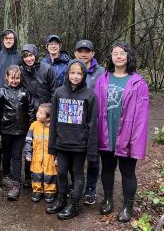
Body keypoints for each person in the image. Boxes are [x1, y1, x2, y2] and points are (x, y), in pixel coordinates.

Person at [95, 43, 149, 223]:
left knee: (127, 172)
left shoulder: (138, 83)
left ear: (128, 57)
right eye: (115, 53)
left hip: (127, 134)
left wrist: (136, 139)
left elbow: (141, 115)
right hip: (106, 132)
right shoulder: (103, 79)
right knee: (108, 168)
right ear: (110, 57)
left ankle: (127, 207)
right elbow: (96, 107)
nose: (118, 56)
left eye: (122, 53)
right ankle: (108, 200)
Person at [47, 60, 97, 220]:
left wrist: (91, 151)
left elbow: (92, 124)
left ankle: (74, 204)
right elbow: (53, 121)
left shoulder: (89, 95)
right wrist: (52, 146)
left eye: (79, 73)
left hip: (79, 145)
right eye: (72, 73)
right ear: (68, 74)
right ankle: (61, 199)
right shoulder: (59, 93)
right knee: (61, 173)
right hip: (62, 143)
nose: (75, 76)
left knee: (77, 174)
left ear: (83, 76)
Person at [0, 65, 35, 200]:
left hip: (21, 131)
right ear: (7, 77)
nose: (14, 80)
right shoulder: (1, 92)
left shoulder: (25, 92)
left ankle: (16, 183)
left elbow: (30, 110)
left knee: (17, 156)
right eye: (12, 78)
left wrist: (31, 128)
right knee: (6, 154)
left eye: (17, 78)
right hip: (5, 130)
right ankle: (6, 175)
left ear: (20, 78)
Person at [73, 39, 105, 205]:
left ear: (92, 53)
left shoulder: (101, 72)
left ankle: (91, 189)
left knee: (93, 156)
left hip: (94, 119)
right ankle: (75, 185)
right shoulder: (71, 69)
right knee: (74, 155)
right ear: (75, 53)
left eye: (87, 51)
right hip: (74, 119)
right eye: (80, 51)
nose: (83, 54)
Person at [20, 44, 57, 188]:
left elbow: (54, 91)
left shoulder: (47, 69)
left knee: (47, 147)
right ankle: (30, 178)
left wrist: (50, 112)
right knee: (30, 146)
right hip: (29, 113)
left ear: (35, 54)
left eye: (30, 55)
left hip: (46, 112)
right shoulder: (21, 71)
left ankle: (49, 178)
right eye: (25, 56)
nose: (28, 59)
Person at [24, 103, 57, 203]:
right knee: (36, 173)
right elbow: (28, 140)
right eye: (38, 111)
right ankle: (37, 190)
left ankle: (49, 190)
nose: (37, 114)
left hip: (50, 155)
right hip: (36, 155)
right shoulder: (33, 125)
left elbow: (58, 143)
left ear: (48, 117)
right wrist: (28, 153)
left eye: (41, 113)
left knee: (50, 173)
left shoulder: (54, 127)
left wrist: (57, 157)